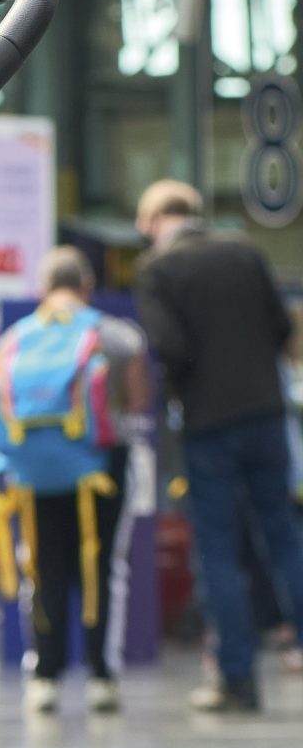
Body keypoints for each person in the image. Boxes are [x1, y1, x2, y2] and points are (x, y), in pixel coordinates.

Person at [135, 180, 303, 712]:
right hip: (266, 414)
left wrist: (188, 383)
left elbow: (168, 347)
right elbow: (281, 326)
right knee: (284, 535)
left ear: (157, 218)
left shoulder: (158, 271)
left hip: (209, 423)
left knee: (218, 550)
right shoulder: (246, 251)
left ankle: (237, 680)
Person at [0, 246, 147, 716]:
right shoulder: (115, 335)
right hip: (101, 465)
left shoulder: (14, 339)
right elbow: (138, 402)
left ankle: (44, 679)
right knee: (102, 569)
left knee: (41, 570)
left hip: (33, 470)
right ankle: (102, 677)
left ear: (41, 289)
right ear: (87, 286)